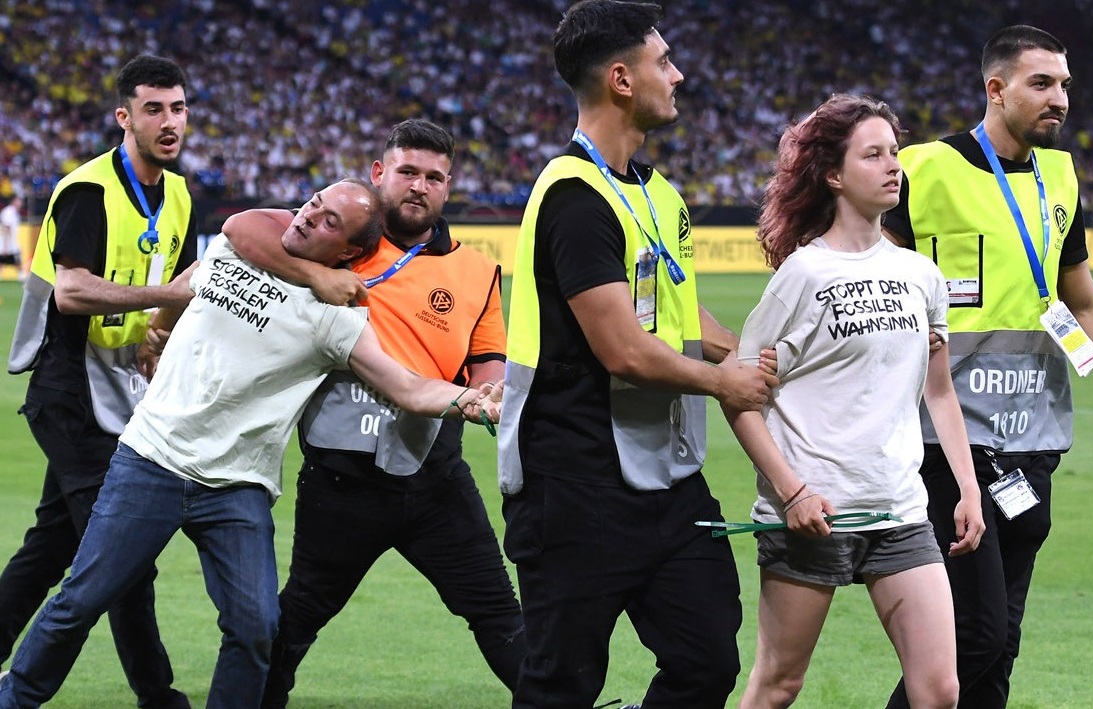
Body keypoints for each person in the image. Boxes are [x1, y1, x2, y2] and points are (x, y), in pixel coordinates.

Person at [0, 179, 501, 709]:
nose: (309, 217)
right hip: (152, 459)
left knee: (256, 626)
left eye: (330, 221)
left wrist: (465, 400)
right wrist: (158, 331)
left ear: (351, 252)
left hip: (236, 487)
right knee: (81, 599)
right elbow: (213, 255)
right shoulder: (237, 244)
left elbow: (406, 386)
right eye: (314, 203)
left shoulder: (337, 319)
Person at [497, 2, 778, 707]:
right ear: (620, 79)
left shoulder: (657, 193)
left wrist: (760, 354)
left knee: (707, 657)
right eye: (663, 62)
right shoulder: (573, 197)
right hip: (574, 479)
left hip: (665, 477)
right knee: (559, 683)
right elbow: (622, 347)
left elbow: (678, 317)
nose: (677, 76)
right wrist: (722, 382)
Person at [223, 118, 525, 706]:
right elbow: (243, 229)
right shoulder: (339, 240)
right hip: (341, 482)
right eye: (408, 171)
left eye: (434, 177)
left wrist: (489, 394)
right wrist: (312, 273)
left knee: (498, 614)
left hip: (437, 479)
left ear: (448, 186)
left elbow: (486, 360)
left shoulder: (477, 271)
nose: (419, 186)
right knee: (296, 620)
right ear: (379, 174)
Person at [881, 25, 1093, 709]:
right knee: (972, 635)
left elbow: (1082, 304)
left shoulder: (1060, 178)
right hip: (943, 441)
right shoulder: (922, 170)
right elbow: (862, 276)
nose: (1060, 99)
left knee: (1000, 643)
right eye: (1041, 83)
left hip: (1031, 438)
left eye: (1065, 86)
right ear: (995, 88)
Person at [723, 94, 984, 709]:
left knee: (940, 691)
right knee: (778, 686)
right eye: (873, 155)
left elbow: (939, 392)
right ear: (834, 176)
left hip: (899, 511)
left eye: (894, 153)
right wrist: (791, 492)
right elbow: (740, 399)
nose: (893, 165)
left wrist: (968, 488)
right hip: (812, 515)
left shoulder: (922, 275)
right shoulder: (802, 275)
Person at [2, 54, 196, 708]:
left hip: (123, 395)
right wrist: (160, 294)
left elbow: (186, 282)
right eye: (154, 109)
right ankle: (157, 694)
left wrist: (158, 330)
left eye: (178, 108)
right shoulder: (88, 190)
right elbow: (73, 291)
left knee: (53, 544)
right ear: (124, 116)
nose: (169, 122)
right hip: (69, 392)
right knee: (122, 554)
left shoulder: (180, 193)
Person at [0, 196, 21, 276]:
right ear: (13, 201)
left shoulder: (14, 212)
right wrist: (6, 245)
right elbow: (6, 228)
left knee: (15, 259)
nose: (20, 204)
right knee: (13, 258)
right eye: (18, 201)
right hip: (8, 241)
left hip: (11, 241)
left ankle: (21, 275)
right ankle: (21, 276)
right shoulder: (8, 212)